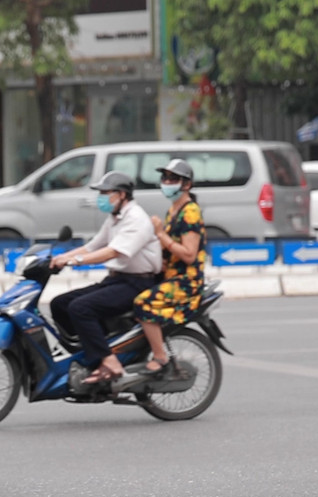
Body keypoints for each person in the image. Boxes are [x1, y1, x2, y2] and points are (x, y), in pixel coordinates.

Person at [49, 171, 162, 383]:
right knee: (60, 304)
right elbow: (92, 246)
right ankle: (92, 355)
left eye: (104, 193)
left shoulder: (136, 218)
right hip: (117, 280)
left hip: (137, 283)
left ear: (121, 195)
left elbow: (113, 252)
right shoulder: (114, 218)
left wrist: (75, 261)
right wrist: (60, 257)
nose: (100, 197)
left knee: (80, 308)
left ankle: (109, 360)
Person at [133, 159, 207, 378]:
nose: (167, 182)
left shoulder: (190, 212)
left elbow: (188, 254)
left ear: (187, 185)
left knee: (143, 303)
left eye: (173, 179)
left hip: (186, 282)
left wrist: (161, 234)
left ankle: (160, 356)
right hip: (169, 276)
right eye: (164, 178)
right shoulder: (172, 210)